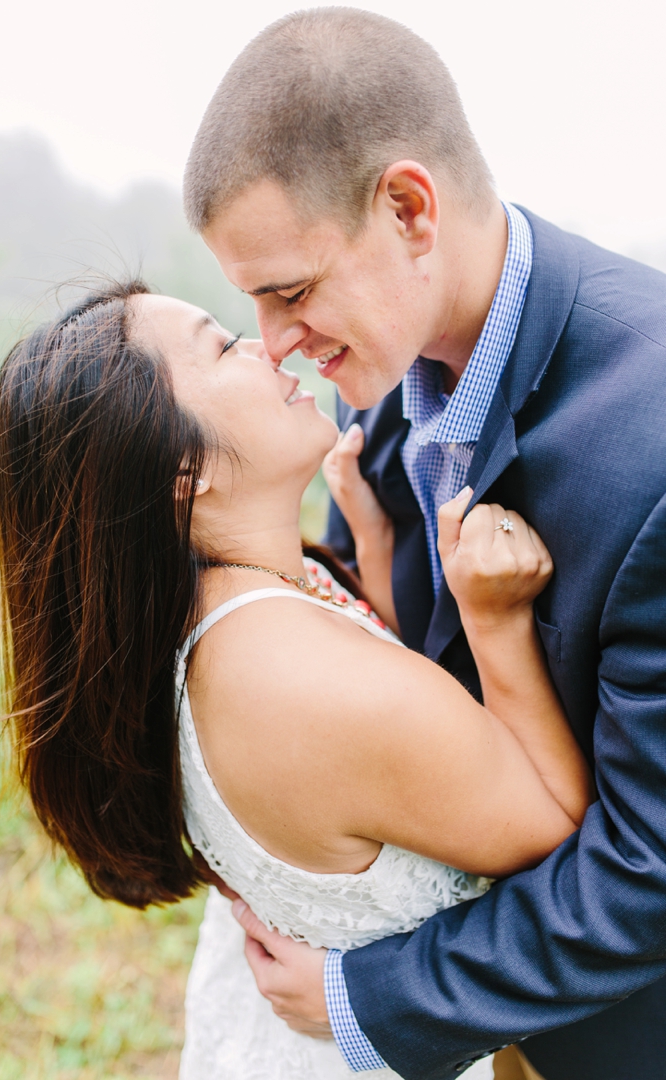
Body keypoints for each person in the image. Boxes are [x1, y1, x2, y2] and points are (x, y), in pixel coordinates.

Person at [182, 8, 666, 1080]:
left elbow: (651, 867)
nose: (275, 347)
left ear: (409, 207)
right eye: (250, 307)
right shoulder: (380, 372)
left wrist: (369, 998)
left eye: (291, 292)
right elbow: (369, 627)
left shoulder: (655, 444)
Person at [0, 282, 592, 1080]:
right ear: (182, 470)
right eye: (221, 345)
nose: (264, 346)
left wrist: (375, 558)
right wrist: (497, 621)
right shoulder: (294, 682)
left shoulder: (204, 610)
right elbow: (556, 829)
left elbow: (390, 751)